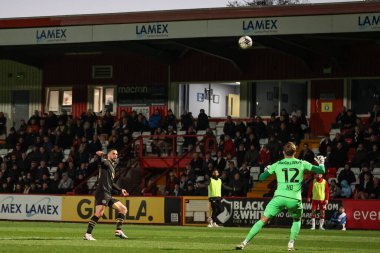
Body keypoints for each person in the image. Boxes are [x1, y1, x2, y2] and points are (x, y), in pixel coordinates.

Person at [235, 142, 325, 251]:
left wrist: (266, 170)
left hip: (279, 197)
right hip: (294, 198)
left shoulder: (278, 164)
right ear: (295, 152)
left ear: (283, 152)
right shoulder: (301, 163)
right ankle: (291, 244)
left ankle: (244, 242)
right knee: (297, 220)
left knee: (263, 220)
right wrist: (321, 163)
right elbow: (321, 171)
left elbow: (262, 178)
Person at [83, 150, 129, 241]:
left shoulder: (111, 167)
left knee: (123, 209)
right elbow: (101, 162)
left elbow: (111, 183)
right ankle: (87, 234)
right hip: (102, 192)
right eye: (113, 153)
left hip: (107, 193)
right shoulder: (106, 163)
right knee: (99, 213)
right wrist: (100, 156)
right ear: (108, 155)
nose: (115, 155)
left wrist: (120, 190)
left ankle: (118, 231)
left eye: (116, 154)